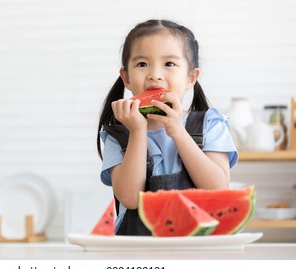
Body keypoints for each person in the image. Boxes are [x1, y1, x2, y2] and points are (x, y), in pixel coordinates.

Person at [96, 19, 238, 235]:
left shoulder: (210, 124)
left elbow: (217, 188)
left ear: (191, 77)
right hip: (138, 254)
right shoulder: (118, 133)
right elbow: (130, 198)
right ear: (125, 77)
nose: (155, 74)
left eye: (169, 64)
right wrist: (137, 132)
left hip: (198, 248)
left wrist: (178, 132)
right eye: (142, 64)